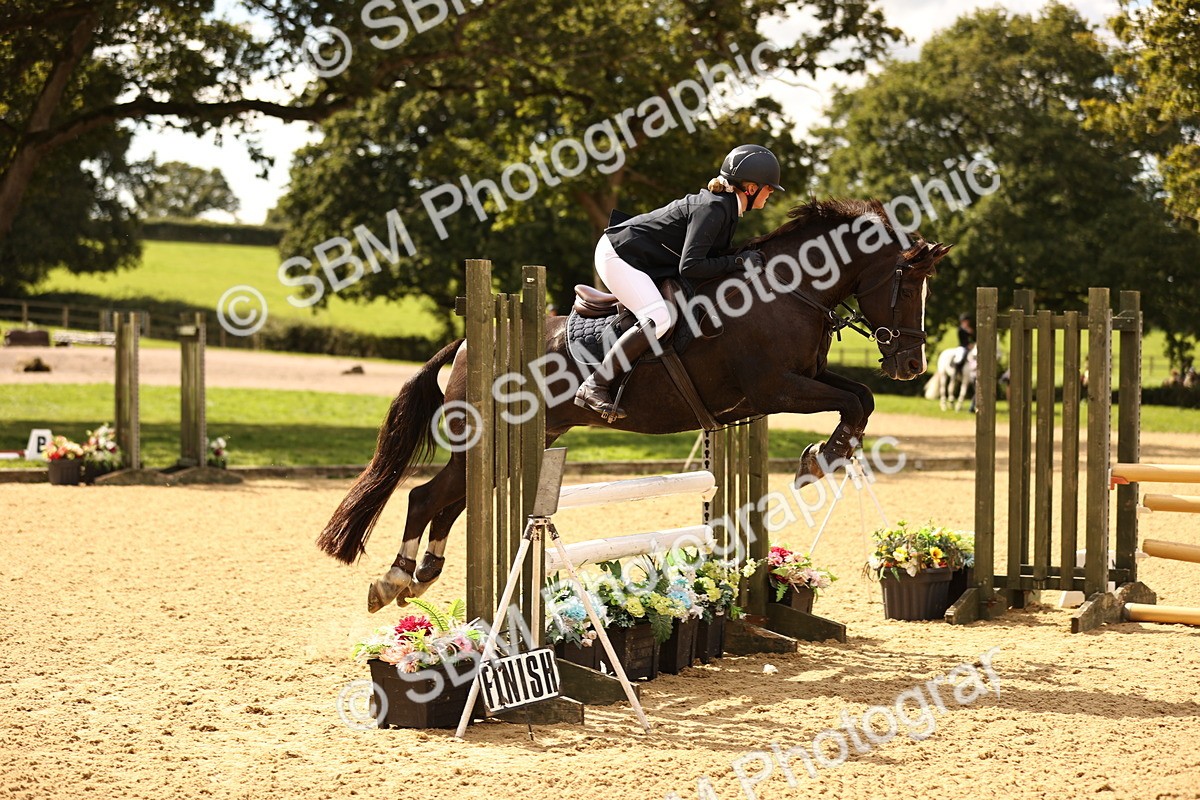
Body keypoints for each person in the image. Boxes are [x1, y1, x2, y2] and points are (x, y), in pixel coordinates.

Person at [574, 144, 784, 420]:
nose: (770, 194)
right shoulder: (715, 209)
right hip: (618, 254)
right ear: (750, 187)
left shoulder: (727, 209)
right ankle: (595, 384)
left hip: (638, 255)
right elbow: (691, 266)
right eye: (768, 188)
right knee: (659, 316)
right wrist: (738, 262)